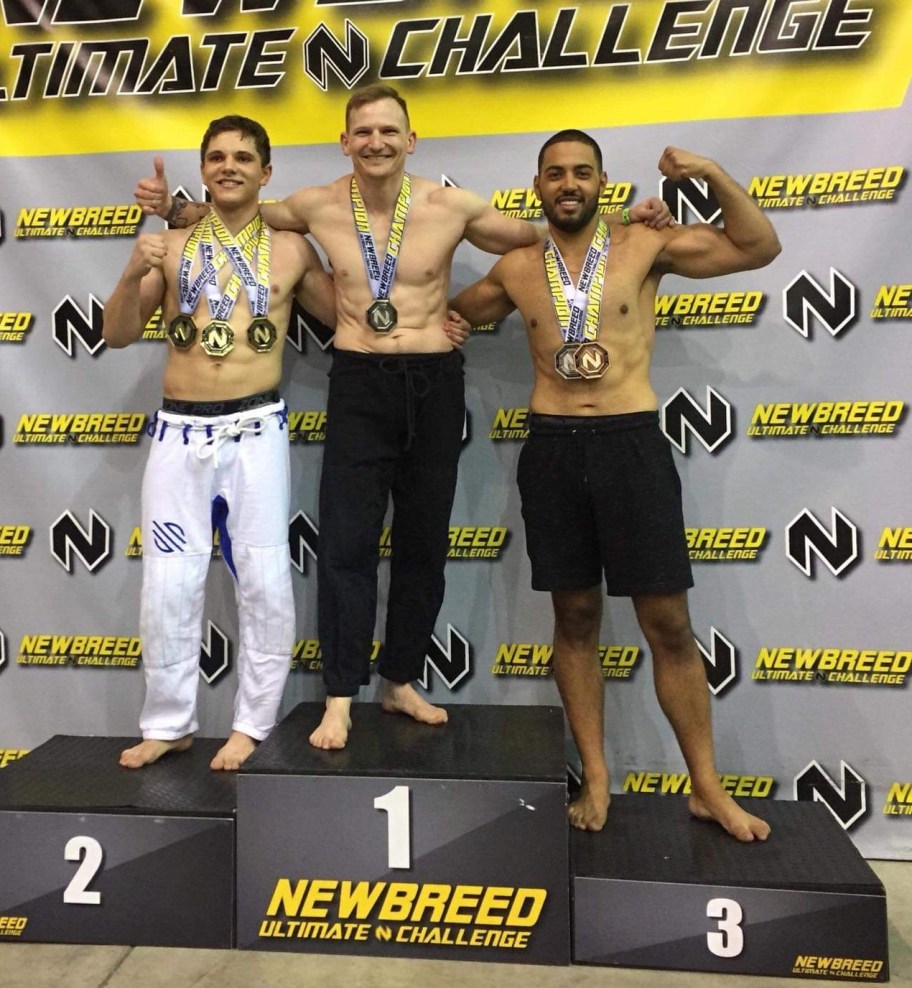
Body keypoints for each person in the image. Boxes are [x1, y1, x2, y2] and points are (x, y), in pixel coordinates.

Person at [135, 88, 670, 751]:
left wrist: (624, 223)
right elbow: (239, 212)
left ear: (412, 140)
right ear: (345, 141)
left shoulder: (451, 206)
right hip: (360, 383)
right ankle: (339, 696)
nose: (377, 141)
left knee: (423, 543)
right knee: (347, 545)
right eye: (363, 131)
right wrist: (176, 208)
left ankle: (402, 678)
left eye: (389, 130)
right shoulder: (317, 206)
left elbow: (548, 231)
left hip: (434, 383)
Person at [450, 131, 780, 842]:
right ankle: (596, 777)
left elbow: (757, 248)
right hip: (554, 450)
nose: (569, 183)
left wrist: (711, 170)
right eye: (556, 173)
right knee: (574, 621)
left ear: (602, 183)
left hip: (632, 445)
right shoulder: (514, 268)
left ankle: (707, 788)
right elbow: (450, 314)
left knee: (668, 625)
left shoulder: (644, 246)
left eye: (583, 173)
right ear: (536, 185)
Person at [104, 114, 335, 771]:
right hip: (179, 431)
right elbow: (117, 333)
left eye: (242, 157)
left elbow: (349, 319)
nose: (228, 165)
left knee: (263, 581)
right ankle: (170, 723)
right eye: (216, 157)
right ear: (203, 170)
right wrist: (131, 270)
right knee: (169, 585)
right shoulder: (172, 244)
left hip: (256, 428)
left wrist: (430, 322)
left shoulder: (291, 250)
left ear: (267, 172)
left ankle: (253, 724)